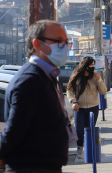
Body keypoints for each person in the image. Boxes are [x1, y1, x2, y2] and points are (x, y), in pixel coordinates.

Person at [0, 20, 70, 173]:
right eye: (58, 42)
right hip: (29, 167)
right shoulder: (30, 79)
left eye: (66, 42)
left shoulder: (47, 76)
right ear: (37, 44)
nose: (64, 47)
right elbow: (14, 130)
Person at [67, 57, 107, 159]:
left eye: (94, 65)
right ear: (85, 66)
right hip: (79, 107)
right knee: (79, 130)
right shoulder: (76, 76)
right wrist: (73, 101)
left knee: (90, 129)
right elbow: (69, 90)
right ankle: (80, 147)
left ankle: (90, 149)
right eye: (91, 65)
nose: (93, 67)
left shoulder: (95, 76)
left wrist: (99, 80)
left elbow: (103, 91)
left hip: (93, 107)